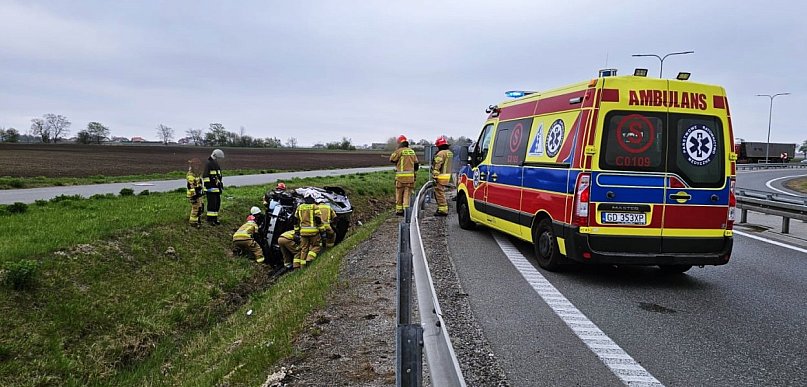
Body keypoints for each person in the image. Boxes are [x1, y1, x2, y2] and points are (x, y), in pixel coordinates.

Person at [389, 135, 419, 215]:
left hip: (400, 178)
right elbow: (416, 164)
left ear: (399, 143)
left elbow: (392, 159)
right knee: (407, 195)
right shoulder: (412, 151)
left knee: (399, 194)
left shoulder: (399, 151)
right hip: (410, 178)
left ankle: (399, 211)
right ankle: (406, 212)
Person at [293, 189, 324, 269]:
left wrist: (296, 231)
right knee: (316, 246)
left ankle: (302, 267)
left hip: (303, 232)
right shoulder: (314, 207)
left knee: (303, 249)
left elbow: (295, 220)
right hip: (313, 232)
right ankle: (309, 259)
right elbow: (318, 220)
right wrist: (322, 231)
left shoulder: (299, 207)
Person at [431, 135, 454, 216]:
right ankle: (442, 208)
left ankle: (443, 210)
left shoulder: (441, 153)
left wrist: (434, 176)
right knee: (441, 192)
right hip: (447, 175)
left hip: (441, 176)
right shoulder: (449, 153)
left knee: (439, 193)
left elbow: (437, 165)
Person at [203, 149, 224, 225]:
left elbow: (218, 176)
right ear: (215, 156)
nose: (219, 160)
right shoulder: (209, 163)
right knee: (211, 205)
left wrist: (220, 185)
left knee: (217, 204)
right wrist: (208, 186)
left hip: (216, 189)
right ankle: (210, 220)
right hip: (210, 189)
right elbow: (205, 176)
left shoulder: (216, 164)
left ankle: (215, 219)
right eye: (218, 158)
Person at [186, 158, 204, 226]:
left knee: (200, 208)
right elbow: (191, 186)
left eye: (198, 165)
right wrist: (194, 195)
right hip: (193, 195)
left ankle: (197, 221)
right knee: (196, 208)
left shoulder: (196, 173)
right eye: (196, 165)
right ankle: (193, 223)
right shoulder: (190, 174)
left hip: (198, 193)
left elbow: (199, 183)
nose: (197, 167)